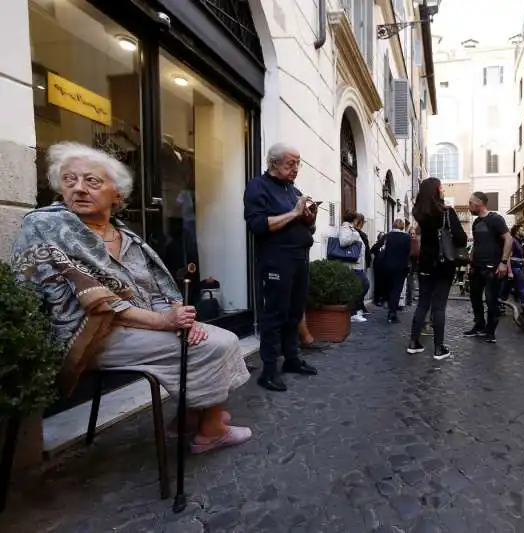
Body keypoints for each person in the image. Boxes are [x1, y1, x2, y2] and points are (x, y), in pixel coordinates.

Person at [13, 142, 251, 454]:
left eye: (92, 181)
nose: (79, 189)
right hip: (92, 335)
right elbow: (98, 301)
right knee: (216, 344)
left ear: (117, 195)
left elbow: (160, 287)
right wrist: (165, 322)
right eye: (69, 180)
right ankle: (211, 429)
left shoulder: (129, 237)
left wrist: (180, 317)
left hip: (142, 327)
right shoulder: (47, 226)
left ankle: (188, 417)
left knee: (213, 336)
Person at [244, 142, 318, 393]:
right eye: (291, 163)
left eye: (298, 163)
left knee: (294, 312)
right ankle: (269, 371)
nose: (296, 168)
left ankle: (292, 360)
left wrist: (310, 219)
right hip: (276, 259)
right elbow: (258, 225)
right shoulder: (258, 186)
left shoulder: (292, 190)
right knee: (275, 315)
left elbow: (303, 225)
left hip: (299, 258)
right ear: (274, 163)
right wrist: (295, 214)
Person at [407, 178, 468, 359]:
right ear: (436, 190)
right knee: (439, 307)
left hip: (425, 264)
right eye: (441, 187)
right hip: (443, 264)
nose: (443, 190)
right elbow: (461, 239)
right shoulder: (446, 212)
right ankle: (438, 348)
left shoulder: (420, 214)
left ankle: (413, 343)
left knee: (422, 304)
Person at [463, 192, 512, 344]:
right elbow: (476, 245)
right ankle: (479, 326)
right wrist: (470, 265)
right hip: (476, 268)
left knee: (491, 300)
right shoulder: (476, 222)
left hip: (492, 268)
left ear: (478, 204)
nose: (469, 206)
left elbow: (508, 239)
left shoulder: (496, 219)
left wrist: (504, 262)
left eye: (470, 203)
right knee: (475, 297)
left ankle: (490, 331)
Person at [338, 212, 370, 322]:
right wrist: (356, 236)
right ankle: (353, 312)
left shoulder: (351, 228)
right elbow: (343, 242)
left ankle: (354, 311)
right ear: (354, 219)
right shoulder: (346, 227)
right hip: (352, 265)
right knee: (363, 285)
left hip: (356, 265)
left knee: (362, 286)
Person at [382, 219, 412, 323]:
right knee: (396, 289)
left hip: (387, 266)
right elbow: (409, 252)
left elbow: (381, 249)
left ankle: (389, 307)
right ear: (403, 226)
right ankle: (392, 312)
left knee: (389, 288)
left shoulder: (387, 236)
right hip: (401, 267)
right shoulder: (407, 238)